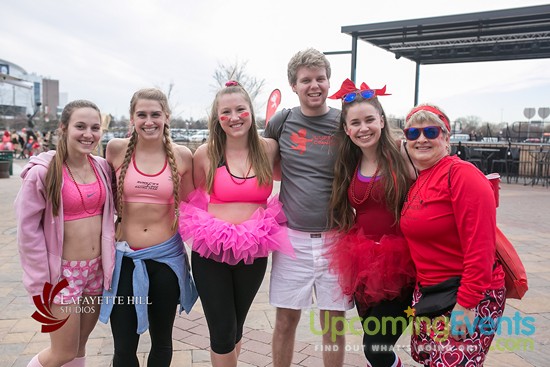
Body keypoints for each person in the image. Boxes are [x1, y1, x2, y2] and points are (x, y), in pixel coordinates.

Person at [179, 80, 294, 367]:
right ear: (217, 117)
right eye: (226, 111)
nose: (234, 117)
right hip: (211, 251)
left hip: (252, 250)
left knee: (237, 327)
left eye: (240, 109)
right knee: (221, 331)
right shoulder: (205, 153)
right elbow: (190, 197)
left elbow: (301, 169)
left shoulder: (269, 149)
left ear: (251, 112)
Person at [264, 48, 354, 367]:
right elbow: (260, 163)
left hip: (336, 239)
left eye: (320, 78)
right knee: (286, 321)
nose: (314, 85)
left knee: (333, 324)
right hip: (292, 241)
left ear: (329, 82)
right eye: (306, 80)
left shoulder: (345, 121)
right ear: (294, 85)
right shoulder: (282, 120)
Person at [98, 88, 198, 367]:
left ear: (166, 117)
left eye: (155, 114)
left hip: (165, 262)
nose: (149, 121)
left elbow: (193, 207)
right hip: (125, 262)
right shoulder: (116, 149)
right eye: (141, 115)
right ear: (132, 118)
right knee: (123, 347)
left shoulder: (182, 155)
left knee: (162, 341)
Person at [400, 104, 506, 366]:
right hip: (432, 293)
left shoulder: (461, 174)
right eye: (413, 133)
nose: (421, 138)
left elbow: (481, 247)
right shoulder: (420, 179)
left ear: (446, 138)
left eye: (431, 131)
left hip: (467, 295)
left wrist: (466, 305)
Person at [15, 100, 116, 367]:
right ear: (63, 128)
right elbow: (27, 232)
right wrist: (40, 281)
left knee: (79, 347)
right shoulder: (44, 172)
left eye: (95, 128)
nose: (88, 134)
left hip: (94, 273)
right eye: (80, 126)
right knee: (63, 352)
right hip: (62, 278)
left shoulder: (102, 168)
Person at [326, 79, 416, 367]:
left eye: (369, 120)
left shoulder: (404, 154)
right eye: (355, 123)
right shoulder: (349, 163)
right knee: (374, 341)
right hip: (362, 262)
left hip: (402, 265)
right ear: (346, 129)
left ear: (381, 120)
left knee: (375, 347)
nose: (363, 128)